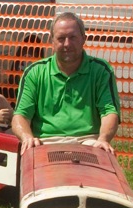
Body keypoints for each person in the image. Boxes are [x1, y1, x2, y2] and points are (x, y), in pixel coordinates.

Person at [11, 12, 120, 153]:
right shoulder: (34, 72)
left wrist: (103, 139)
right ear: (52, 41)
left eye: (72, 37)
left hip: (88, 141)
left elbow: (109, 112)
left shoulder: (101, 70)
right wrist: (27, 137)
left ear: (83, 39)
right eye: (61, 38)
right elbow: (20, 116)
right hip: (45, 142)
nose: (67, 44)